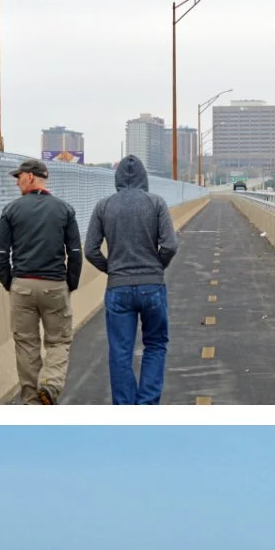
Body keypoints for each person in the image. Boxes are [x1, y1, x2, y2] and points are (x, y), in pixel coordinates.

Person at [85, 155, 179, 404]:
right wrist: (157, 266)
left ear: (116, 180)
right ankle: (146, 405)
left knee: (120, 352)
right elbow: (170, 245)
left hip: (118, 288)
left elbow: (90, 250)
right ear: (144, 178)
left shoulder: (103, 206)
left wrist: (111, 269)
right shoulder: (156, 203)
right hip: (152, 287)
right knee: (156, 344)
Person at [0, 158, 82, 404]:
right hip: (54, 285)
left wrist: (9, 282)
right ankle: (51, 385)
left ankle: (32, 401)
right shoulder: (64, 209)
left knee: (26, 345)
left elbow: (1, 252)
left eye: (19, 177)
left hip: (22, 285)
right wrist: (70, 283)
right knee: (59, 340)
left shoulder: (11, 210)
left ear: (30, 177)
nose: (17, 182)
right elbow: (75, 252)